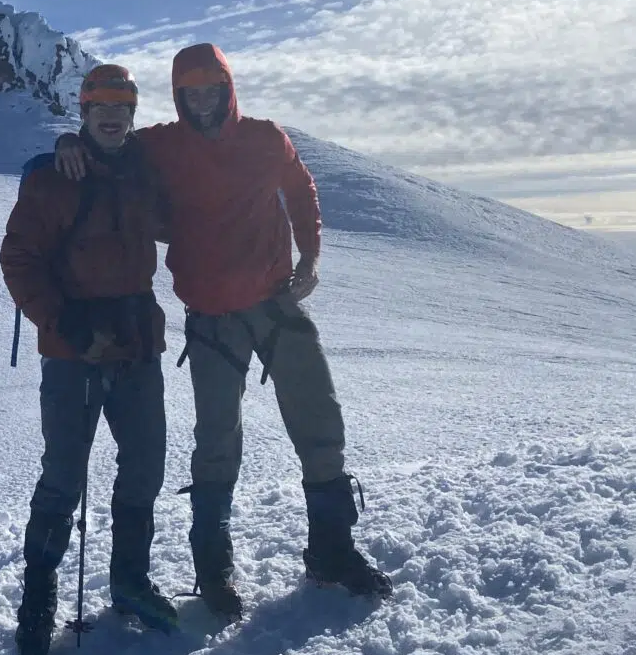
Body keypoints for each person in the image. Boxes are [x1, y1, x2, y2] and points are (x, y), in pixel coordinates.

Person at [54, 44, 392, 622]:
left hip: (275, 304)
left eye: (212, 89)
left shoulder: (265, 138)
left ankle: (332, 550)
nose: (203, 100)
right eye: (191, 92)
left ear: (228, 88)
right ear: (179, 96)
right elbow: (106, 145)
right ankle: (213, 569)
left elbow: (301, 190)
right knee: (216, 442)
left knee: (319, 422)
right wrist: (66, 142)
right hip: (210, 316)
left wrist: (310, 258)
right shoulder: (160, 145)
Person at [0, 64, 179, 655]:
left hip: (137, 345)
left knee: (145, 464)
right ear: (82, 112)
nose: (110, 116)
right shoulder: (54, 179)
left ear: (132, 114)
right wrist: (64, 323)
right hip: (72, 351)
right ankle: (38, 600)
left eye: (120, 106)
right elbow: (19, 259)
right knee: (63, 475)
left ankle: (130, 580)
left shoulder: (144, 171)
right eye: (99, 106)